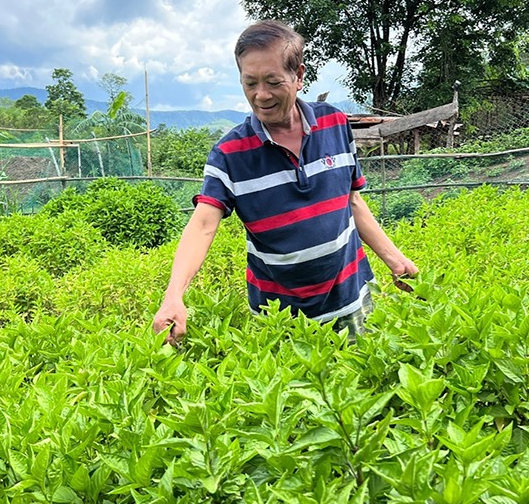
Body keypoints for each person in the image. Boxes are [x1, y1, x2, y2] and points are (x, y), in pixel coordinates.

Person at [152, 20, 417, 345]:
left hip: (352, 302)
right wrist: (174, 294)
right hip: (279, 321)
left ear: (299, 76)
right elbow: (204, 224)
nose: (260, 95)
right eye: (249, 83)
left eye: (273, 82)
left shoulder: (335, 125)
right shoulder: (230, 153)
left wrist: (395, 259)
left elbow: (352, 202)